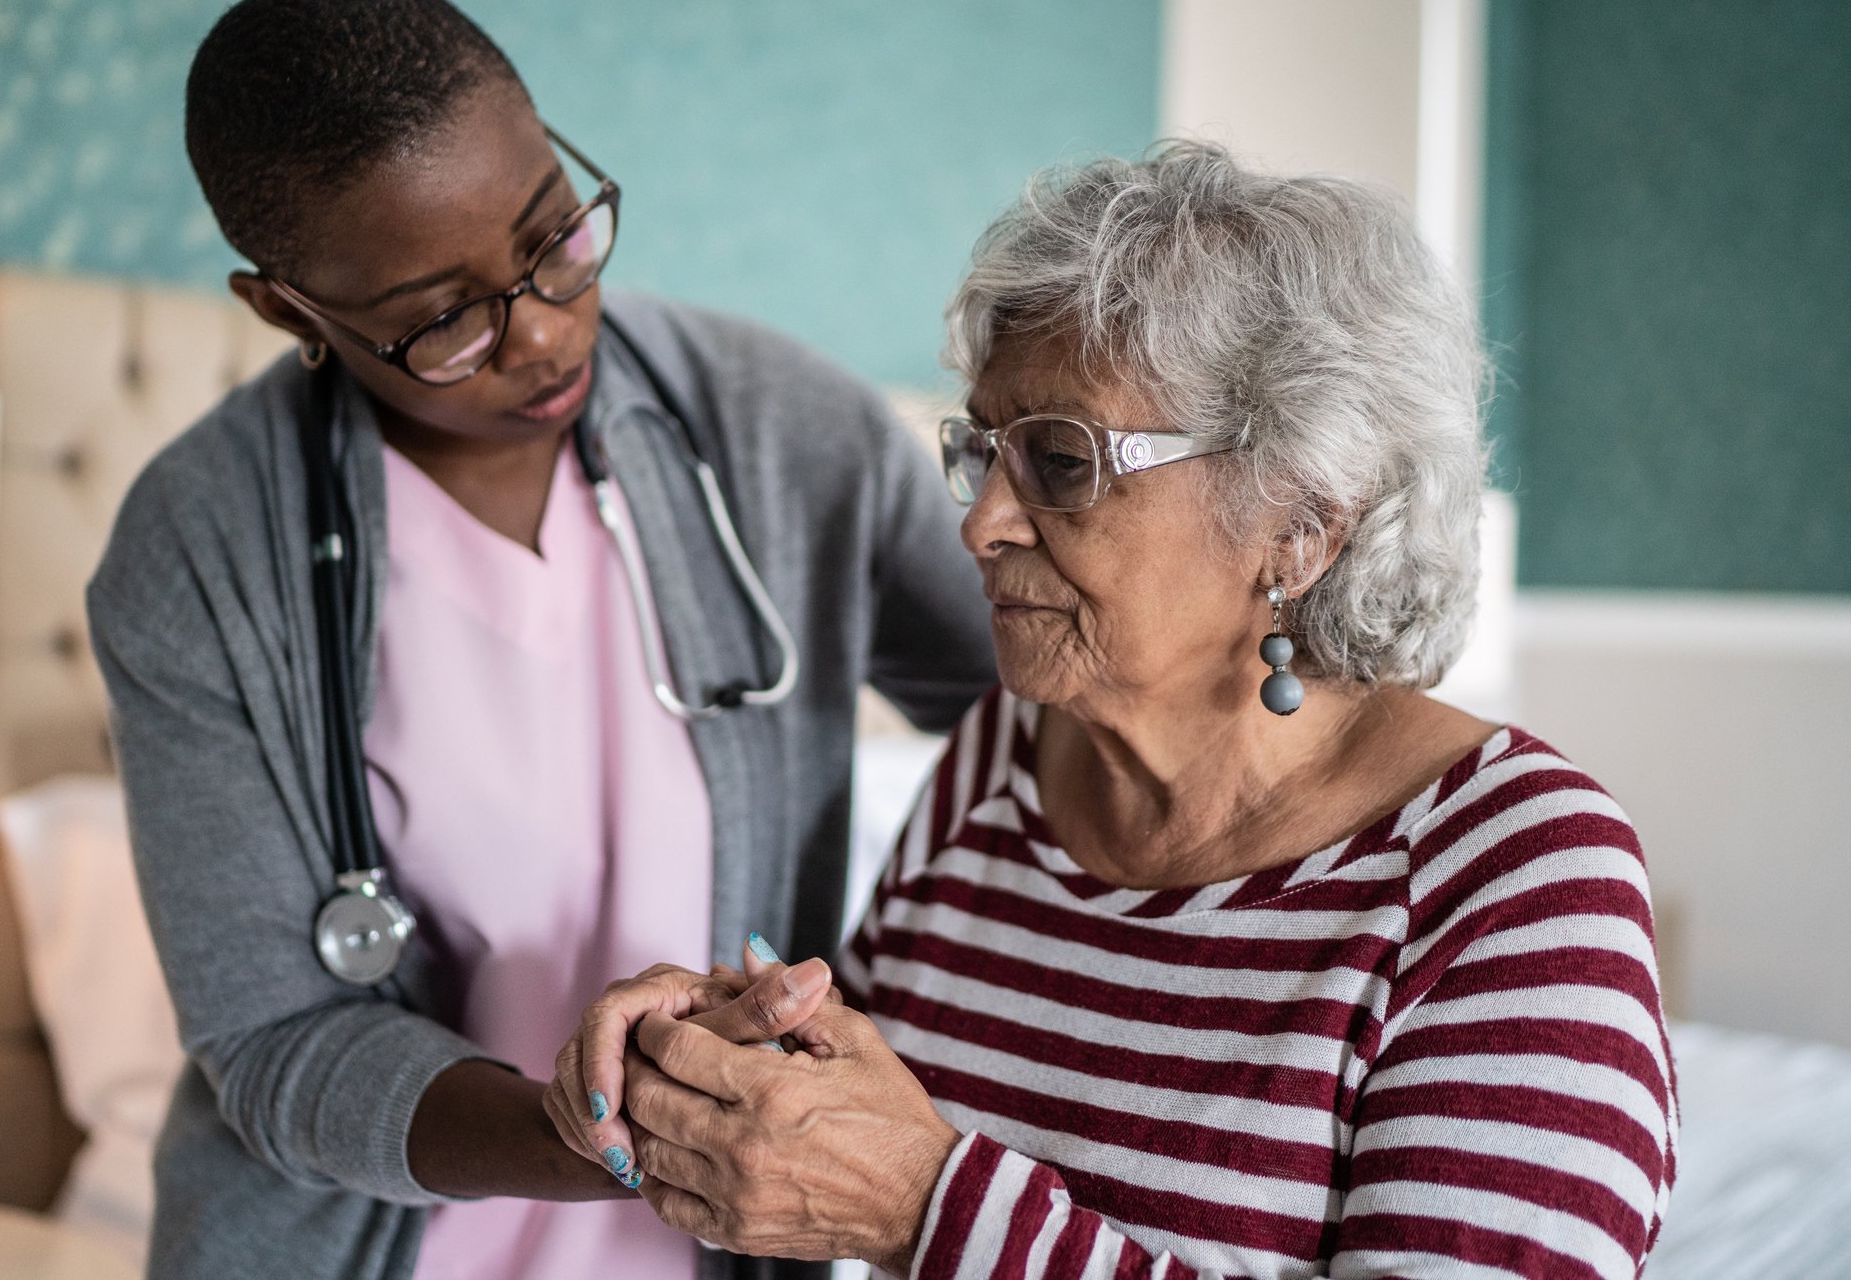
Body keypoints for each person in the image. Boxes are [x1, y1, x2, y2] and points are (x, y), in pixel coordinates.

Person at [549, 144, 1678, 1279]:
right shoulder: (1005, 756)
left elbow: (901, 1181)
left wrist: (924, 1212)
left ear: (1297, 524)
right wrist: (720, 1046)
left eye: (1057, 458)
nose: (979, 524)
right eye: (981, 450)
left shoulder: (1515, 873)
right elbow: (865, 1112)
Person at [86, 0, 996, 1280]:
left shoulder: (787, 432)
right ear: (287, 309)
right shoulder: (200, 552)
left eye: (554, 236)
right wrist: (600, 1126)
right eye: (444, 320)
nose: (543, 337)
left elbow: (1052, 716)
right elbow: (278, 1040)